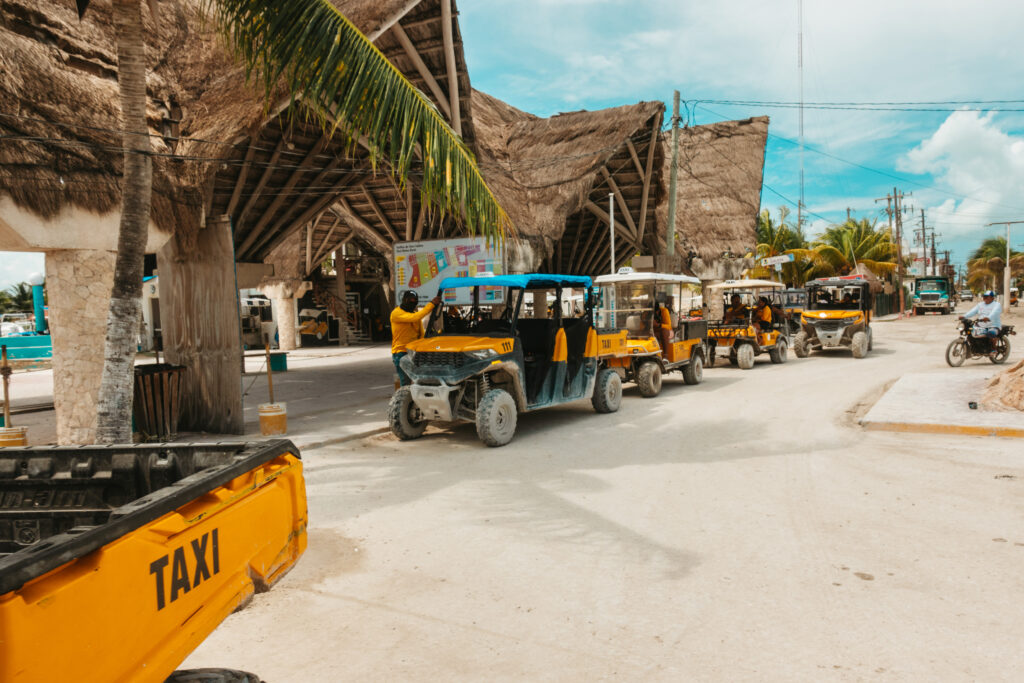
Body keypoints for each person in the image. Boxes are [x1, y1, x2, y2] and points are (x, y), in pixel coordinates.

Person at [391, 290, 442, 386]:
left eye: (415, 300)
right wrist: (431, 304)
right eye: (411, 300)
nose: (413, 302)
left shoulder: (414, 313)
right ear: (405, 300)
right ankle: (406, 399)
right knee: (405, 383)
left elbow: (421, 334)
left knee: (419, 380)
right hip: (401, 353)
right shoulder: (396, 313)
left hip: (414, 352)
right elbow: (415, 317)